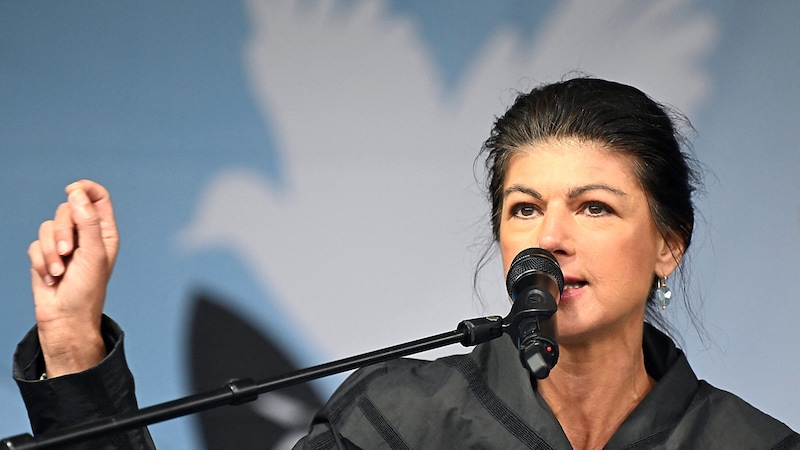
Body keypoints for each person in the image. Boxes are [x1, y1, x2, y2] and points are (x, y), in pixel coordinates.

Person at [13, 78, 799, 449]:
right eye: (525, 208)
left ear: (669, 241)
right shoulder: (397, 420)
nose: (550, 236)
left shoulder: (754, 446)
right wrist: (74, 344)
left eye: (593, 207)